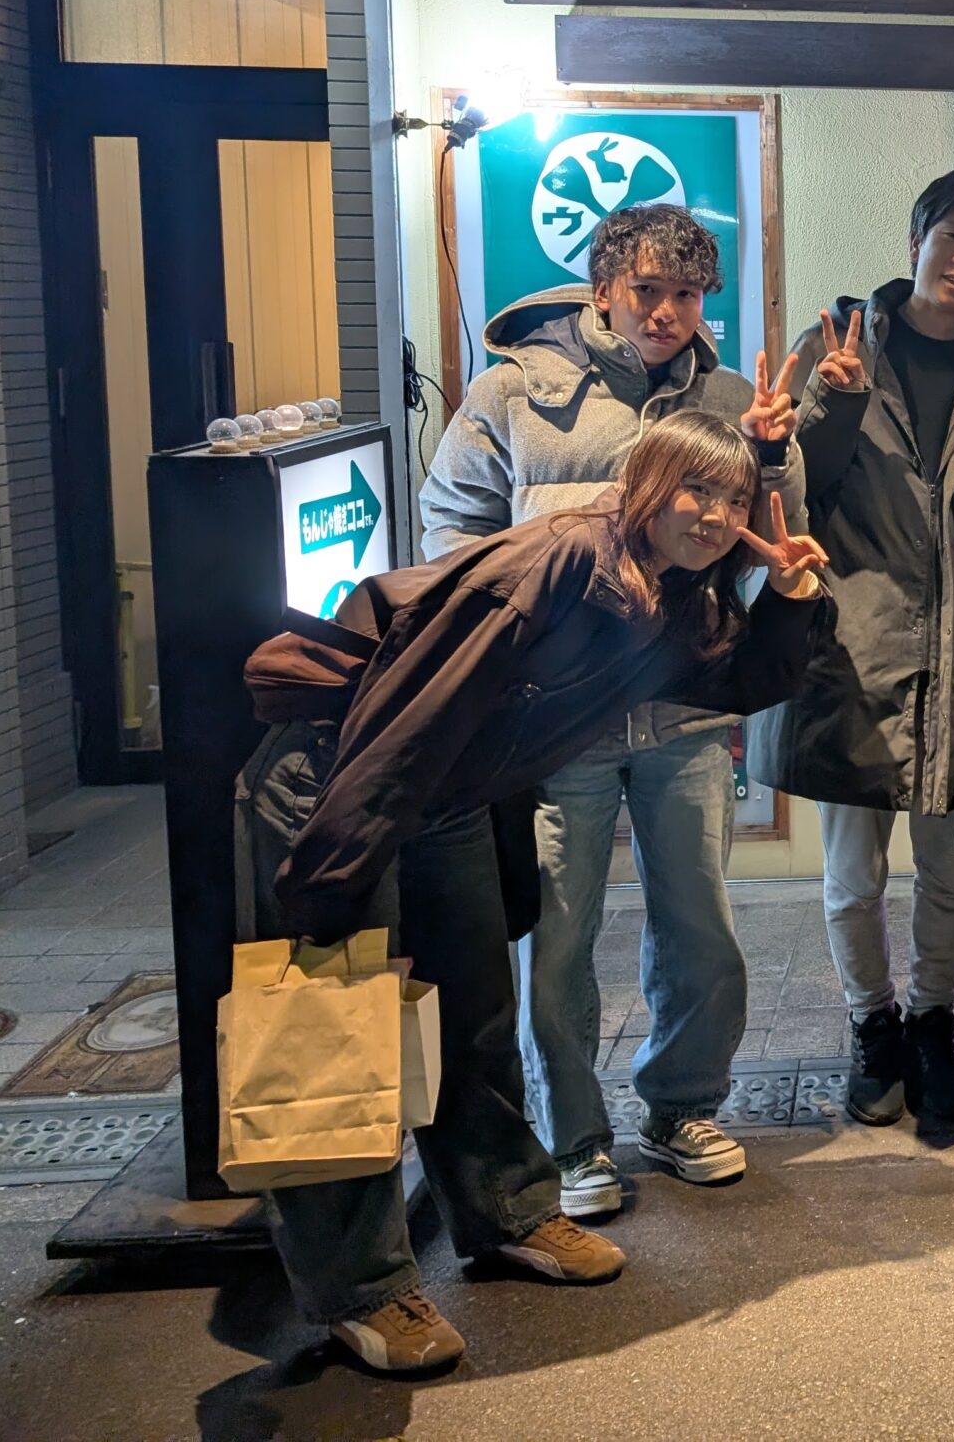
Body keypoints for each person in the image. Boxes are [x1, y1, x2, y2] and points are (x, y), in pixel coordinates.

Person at [242, 412, 830, 1374]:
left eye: (733, 499)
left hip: (445, 791)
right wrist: (333, 875)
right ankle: (363, 1288)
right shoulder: (558, 563)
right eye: (696, 490)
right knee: (339, 1034)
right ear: (645, 487)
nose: (717, 516)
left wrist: (794, 593)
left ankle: (507, 1213)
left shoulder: (670, 591)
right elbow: (410, 710)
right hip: (345, 778)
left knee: (474, 1009)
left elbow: (738, 680)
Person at [417, 203, 808, 1222]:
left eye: (687, 294)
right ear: (603, 289)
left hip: (685, 710)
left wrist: (771, 458)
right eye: (647, 290)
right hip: (557, 723)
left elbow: (776, 537)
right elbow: (450, 525)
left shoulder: (733, 401)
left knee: (701, 928)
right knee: (555, 938)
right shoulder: (514, 392)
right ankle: (573, 1137)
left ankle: (681, 1108)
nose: (667, 312)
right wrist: (519, 628)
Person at [749, 168, 954, 1128]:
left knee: (950, 868)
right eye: (952, 237)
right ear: (917, 240)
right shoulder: (839, 343)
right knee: (853, 873)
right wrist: (834, 403)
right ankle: (872, 1025)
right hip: (853, 648)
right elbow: (792, 495)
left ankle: (931, 1022)